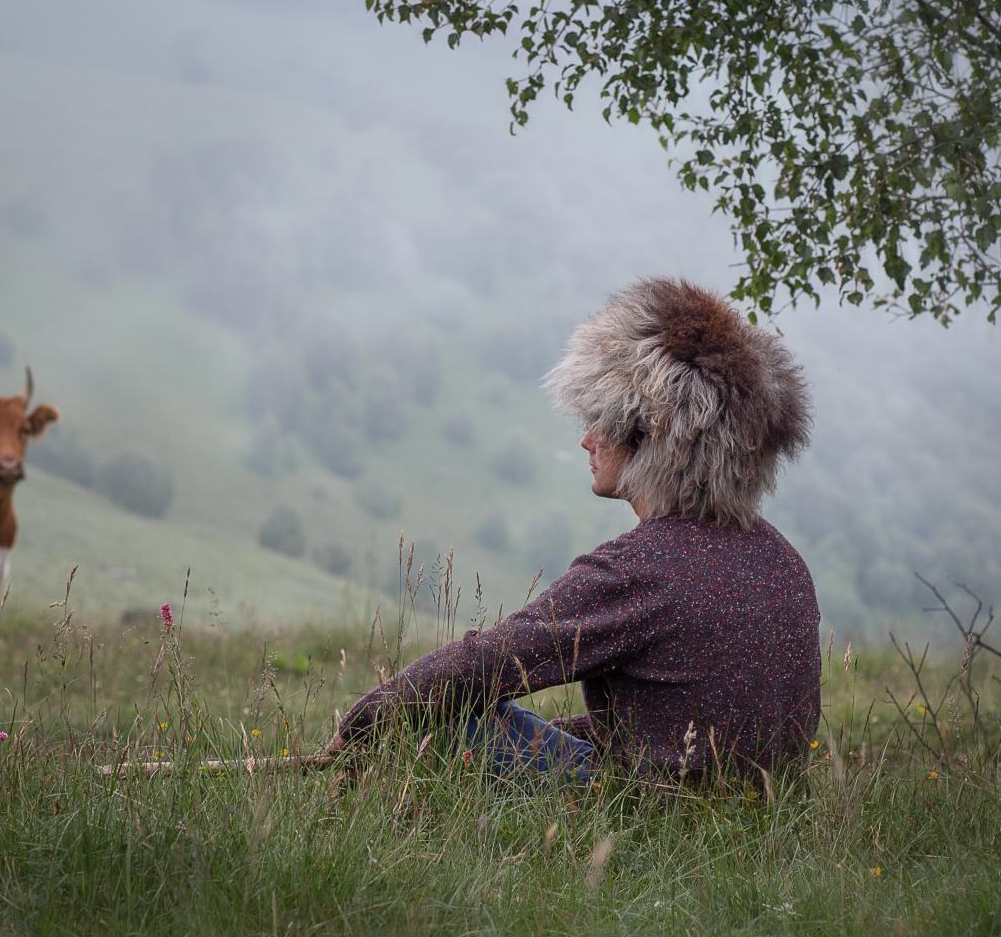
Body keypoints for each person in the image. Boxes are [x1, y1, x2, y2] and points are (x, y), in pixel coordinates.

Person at [329, 277, 822, 784]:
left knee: (451, 715)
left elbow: (491, 661)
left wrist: (366, 723)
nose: (586, 440)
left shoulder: (642, 569)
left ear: (647, 435)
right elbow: (679, 722)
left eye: (599, 421)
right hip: (753, 814)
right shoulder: (783, 559)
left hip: (643, 816)